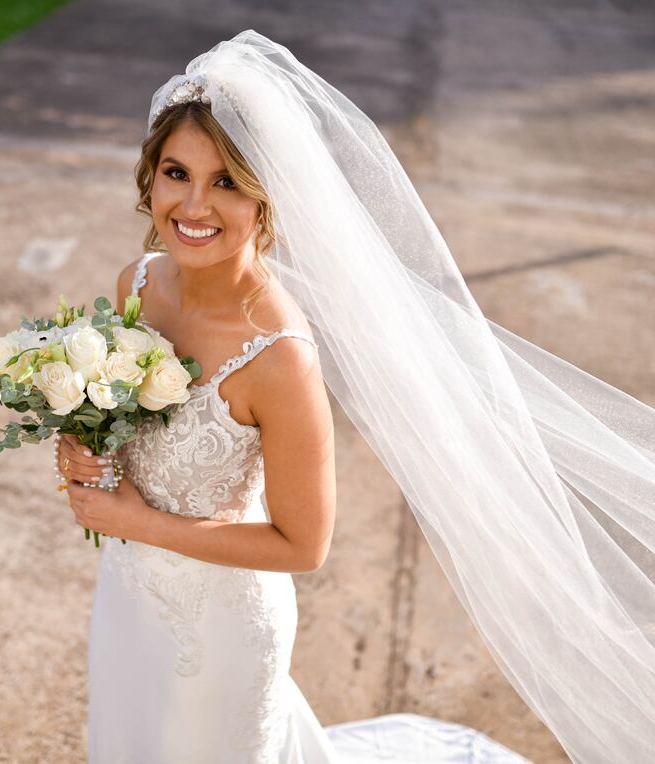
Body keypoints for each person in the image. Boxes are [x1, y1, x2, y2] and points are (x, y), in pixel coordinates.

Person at [58, 30, 655, 763]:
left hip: (215, 634)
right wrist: (84, 441)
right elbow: (125, 427)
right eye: (176, 173)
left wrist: (137, 522)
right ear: (150, 177)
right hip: (126, 595)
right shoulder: (137, 283)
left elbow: (303, 545)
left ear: (267, 198)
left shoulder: (278, 355)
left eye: (228, 182)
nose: (194, 204)